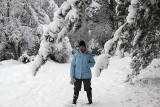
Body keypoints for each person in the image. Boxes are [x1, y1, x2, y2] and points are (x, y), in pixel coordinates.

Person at [70, 40, 95, 105]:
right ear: (79, 47)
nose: (81, 48)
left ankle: (90, 101)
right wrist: (72, 75)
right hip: (77, 75)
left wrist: (87, 65)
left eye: (83, 46)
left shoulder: (89, 54)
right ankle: (74, 101)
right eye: (80, 46)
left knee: (88, 88)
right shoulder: (76, 54)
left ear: (85, 47)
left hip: (86, 75)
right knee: (76, 88)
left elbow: (93, 63)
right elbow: (72, 65)